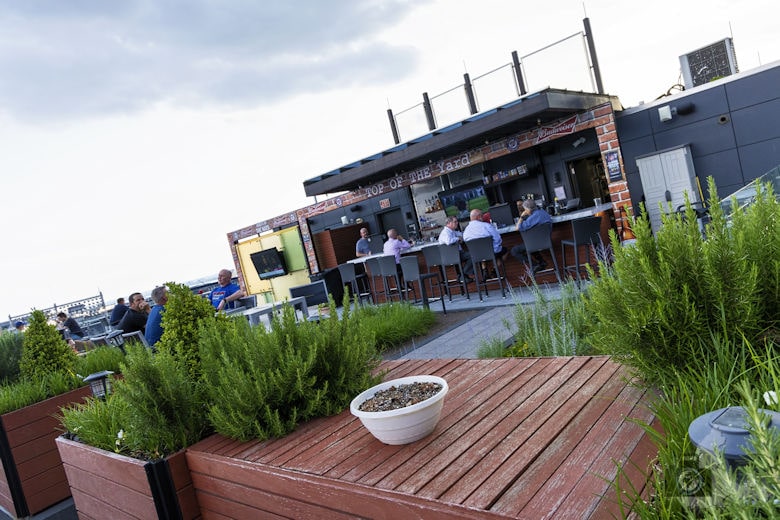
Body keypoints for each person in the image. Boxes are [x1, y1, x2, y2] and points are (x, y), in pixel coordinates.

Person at [510, 198, 553, 272]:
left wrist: (522, 217)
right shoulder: (543, 212)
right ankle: (542, 262)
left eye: (525, 209)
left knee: (514, 251)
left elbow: (517, 228)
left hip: (536, 243)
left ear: (528, 209)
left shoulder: (533, 217)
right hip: (547, 241)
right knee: (530, 243)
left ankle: (534, 265)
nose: (525, 211)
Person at [438, 215, 474, 281]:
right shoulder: (445, 232)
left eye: (457, 221)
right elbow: (448, 241)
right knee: (473, 255)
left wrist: (460, 237)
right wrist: (458, 238)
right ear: (449, 223)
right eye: (455, 222)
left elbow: (462, 235)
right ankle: (463, 275)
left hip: (457, 254)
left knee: (473, 254)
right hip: (452, 256)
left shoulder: (452, 231)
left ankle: (462, 275)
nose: (457, 223)